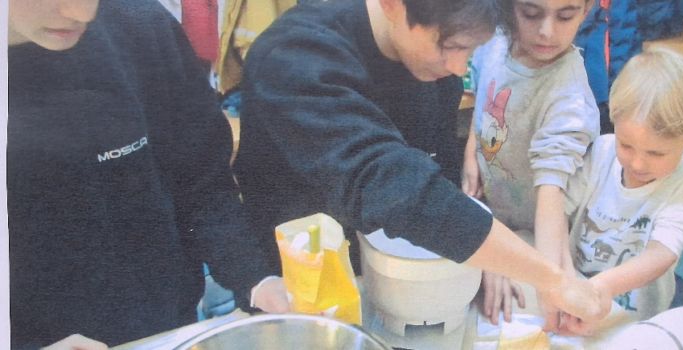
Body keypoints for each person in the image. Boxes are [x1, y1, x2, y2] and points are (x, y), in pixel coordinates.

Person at [233, 0, 608, 327]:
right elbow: (396, 187)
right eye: (451, 46)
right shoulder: (297, 56)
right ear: (393, 5)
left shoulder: (433, 66)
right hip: (294, 283)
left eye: (471, 49)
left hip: (389, 278)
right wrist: (553, 280)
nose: (458, 67)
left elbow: (435, 168)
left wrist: (493, 257)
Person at [7, 0, 289, 348]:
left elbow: (203, 184)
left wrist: (256, 279)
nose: (82, 13)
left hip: (164, 327)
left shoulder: (141, 25)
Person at [461, 0, 600, 328]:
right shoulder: (495, 40)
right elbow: (485, 98)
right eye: (531, 13)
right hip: (491, 210)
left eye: (566, 16)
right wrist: (471, 151)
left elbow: (551, 197)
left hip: (536, 233)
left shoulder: (570, 100)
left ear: (587, 9)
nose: (547, 31)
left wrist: (552, 286)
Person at [560, 47, 683, 335]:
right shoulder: (602, 151)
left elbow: (661, 254)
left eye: (656, 153)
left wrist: (602, 287)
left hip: (635, 315)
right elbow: (558, 210)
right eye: (626, 145)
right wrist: (563, 272)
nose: (638, 163)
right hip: (576, 287)